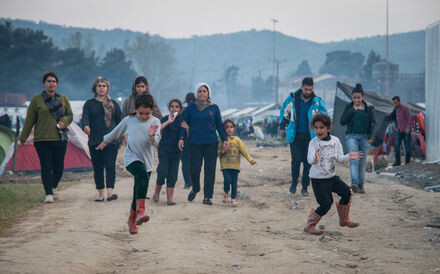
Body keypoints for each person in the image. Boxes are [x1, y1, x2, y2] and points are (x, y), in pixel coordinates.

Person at [96, 94, 160, 235]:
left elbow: (156, 143)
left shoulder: (155, 122)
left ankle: (132, 220)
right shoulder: (128, 120)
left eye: (147, 114)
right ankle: (140, 212)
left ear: (152, 111)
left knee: (139, 188)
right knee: (142, 177)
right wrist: (104, 142)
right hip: (131, 158)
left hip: (147, 160)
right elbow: (116, 131)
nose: (143, 116)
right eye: (141, 113)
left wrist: (151, 137)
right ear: (136, 109)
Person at [19, 72, 73, 203]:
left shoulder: (63, 98)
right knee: (46, 166)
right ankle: (48, 193)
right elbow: (29, 120)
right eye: (48, 81)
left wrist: (64, 121)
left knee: (59, 166)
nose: (51, 83)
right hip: (42, 139)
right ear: (44, 84)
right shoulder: (36, 100)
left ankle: (53, 186)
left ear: (57, 84)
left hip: (60, 138)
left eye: (54, 81)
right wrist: (22, 138)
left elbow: (70, 115)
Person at [304, 113, 362, 235]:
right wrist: (315, 157)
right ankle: (310, 225)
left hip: (331, 177)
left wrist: (348, 157)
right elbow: (310, 160)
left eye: (321, 127)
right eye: (316, 128)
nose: (318, 130)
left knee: (347, 192)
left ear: (328, 128)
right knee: (326, 203)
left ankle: (344, 220)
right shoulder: (313, 143)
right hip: (318, 179)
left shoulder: (335, 141)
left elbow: (340, 158)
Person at [178, 83, 228, 205]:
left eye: (204, 91)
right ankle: (195, 188)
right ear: (196, 94)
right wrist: (181, 138)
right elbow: (184, 124)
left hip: (211, 142)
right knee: (194, 168)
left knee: (210, 170)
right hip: (195, 143)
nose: (202, 93)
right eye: (199, 91)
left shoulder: (214, 108)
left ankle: (207, 197)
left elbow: (219, 126)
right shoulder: (190, 109)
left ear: (208, 94)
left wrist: (224, 139)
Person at [279, 77, 327, 196]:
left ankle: (305, 187)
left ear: (313, 89)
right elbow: (284, 113)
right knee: (296, 160)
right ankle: (294, 182)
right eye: (306, 89)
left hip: (310, 137)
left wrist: (324, 132)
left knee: (308, 162)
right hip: (294, 135)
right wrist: (282, 128)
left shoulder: (317, 102)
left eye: (310, 90)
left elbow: (325, 116)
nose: (308, 92)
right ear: (302, 87)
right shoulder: (292, 99)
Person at [81, 77, 121, 202]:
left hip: (111, 141)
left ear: (107, 88)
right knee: (98, 167)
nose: (102, 88)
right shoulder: (89, 104)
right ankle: (100, 194)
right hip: (95, 140)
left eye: (104, 85)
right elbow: (85, 119)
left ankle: (110, 192)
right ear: (95, 88)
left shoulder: (113, 104)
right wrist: (86, 126)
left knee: (110, 166)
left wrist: (119, 139)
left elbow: (120, 122)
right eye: (99, 86)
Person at [340, 83, 376, 194]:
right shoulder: (349, 107)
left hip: (365, 138)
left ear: (362, 97)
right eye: (354, 97)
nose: (356, 100)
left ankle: (361, 186)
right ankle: (354, 183)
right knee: (354, 159)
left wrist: (372, 137)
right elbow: (342, 121)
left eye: (358, 97)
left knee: (362, 162)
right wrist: (353, 110)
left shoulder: (369, 108)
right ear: (352, 98)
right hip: (351, 137)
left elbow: (374, 123)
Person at [218, 119, 257, 207]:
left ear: (234, 129)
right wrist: (223, 150)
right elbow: (217, 153)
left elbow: (244, 151)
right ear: (223, 129)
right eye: (227, 127)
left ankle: (233, 198)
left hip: (235, 166)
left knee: (234, 183)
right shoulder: (222, 140)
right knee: (227, 180)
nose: (229, 129)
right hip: (225, 166)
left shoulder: (237, 140)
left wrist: (251, 160)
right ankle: (226, 193)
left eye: (231, 127)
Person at [152, 99, 183, 205]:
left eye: (177, 107)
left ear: (180, 109)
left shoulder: (181, 121)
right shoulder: (165, 118)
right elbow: (158, 129)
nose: (174, 108)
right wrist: (169, 121)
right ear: (169, 108)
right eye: (172, 106)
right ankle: (156, 193)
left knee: (173, 174)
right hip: (164, 149)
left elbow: (184, 133)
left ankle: (169, 199)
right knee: (162, 171)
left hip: (176, 151)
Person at [386, 96, 411, 166]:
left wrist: (408, 128)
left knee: (407, 147)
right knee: (396, 146)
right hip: (399, 130)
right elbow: (392, 116)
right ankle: (398, 162)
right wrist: (387, 117)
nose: (394, 104)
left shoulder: (405, 108)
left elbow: (409, 118)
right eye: (393, 103)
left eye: (396, 103)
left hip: (406, 130)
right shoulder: (396, 110)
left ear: (399, 102)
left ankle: (407, 162)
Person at [181, 92, 196, 189]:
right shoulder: (198, 110)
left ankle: (188, 182)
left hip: (185, 140)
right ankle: (193, 181)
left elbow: (181, 126)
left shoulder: (183, 111)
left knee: (185, 162)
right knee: (193, 162)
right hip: (195, 140)